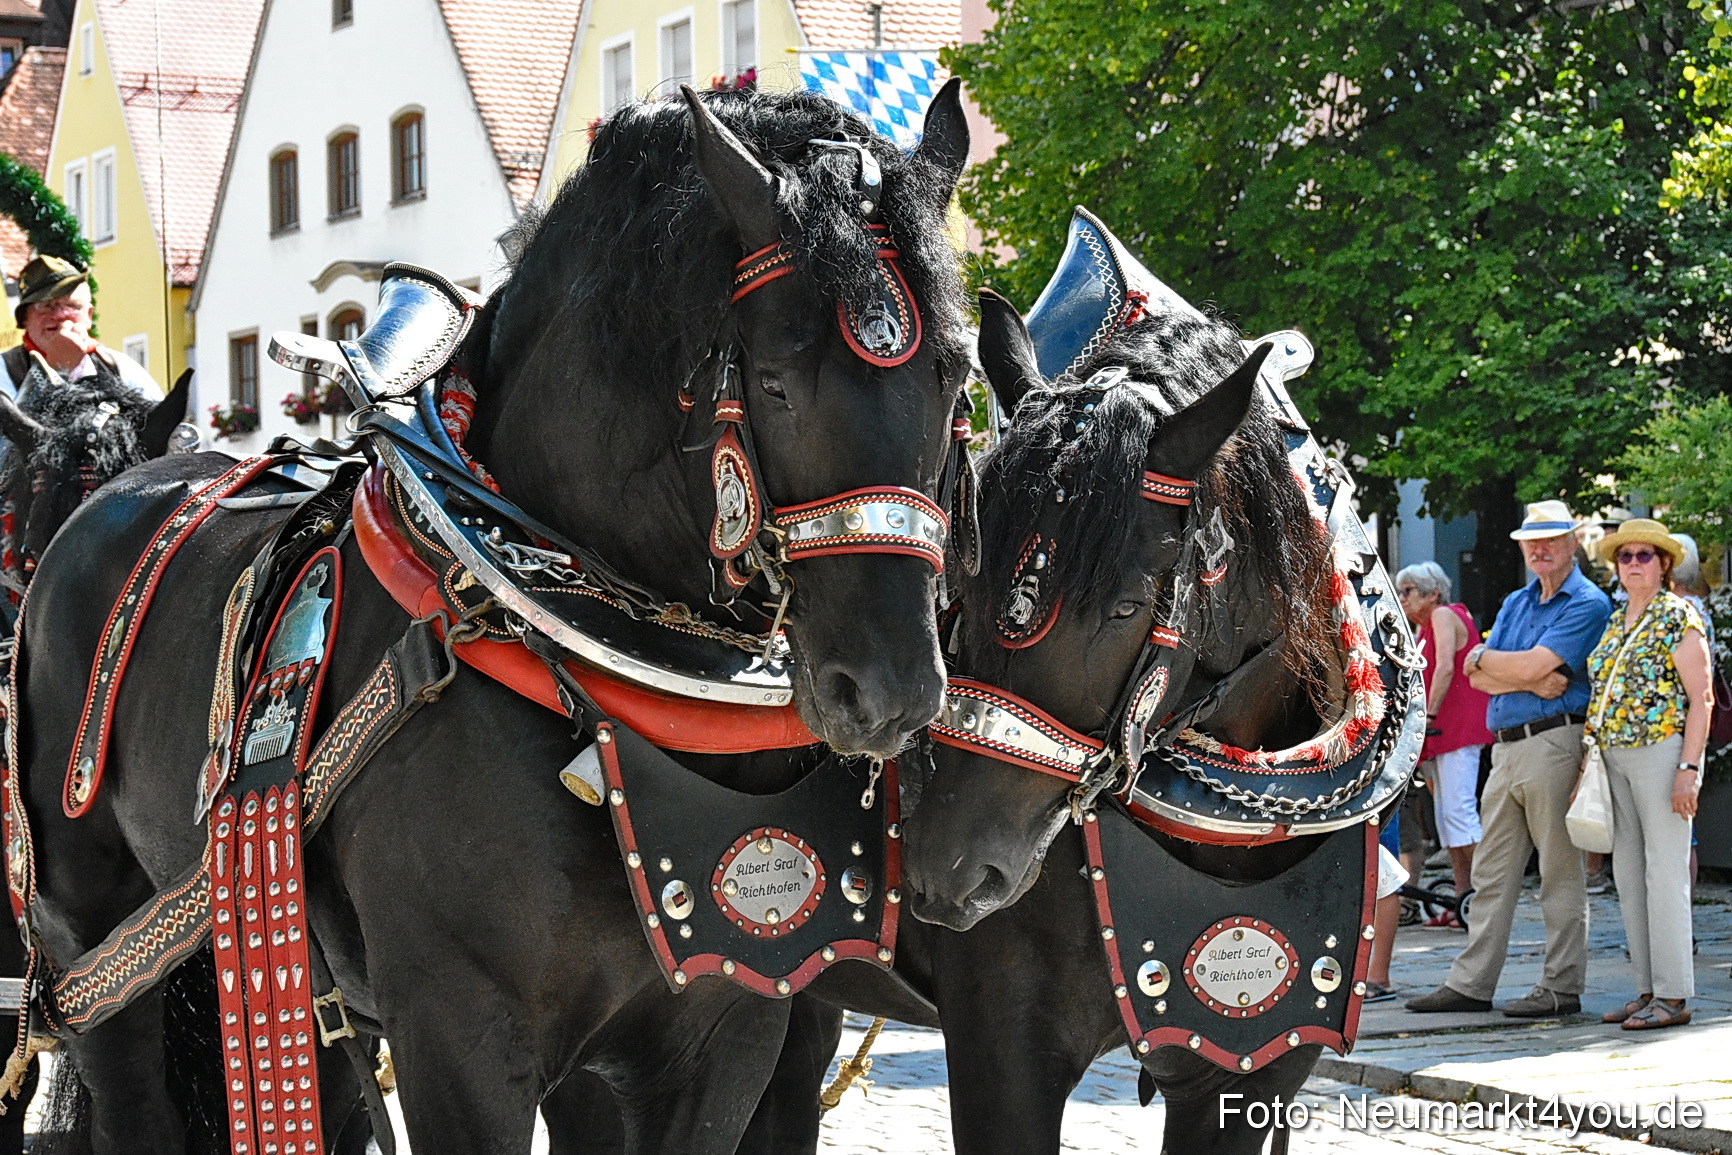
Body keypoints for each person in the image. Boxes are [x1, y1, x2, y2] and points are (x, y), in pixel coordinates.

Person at [1407, 501, 1612, 1018]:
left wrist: (1503, 666)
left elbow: (1539, 665)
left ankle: (1561, 988)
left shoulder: (1586, 602)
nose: (1540, 550)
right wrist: (1520, 673)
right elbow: (1476, 671)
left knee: (1559, 873)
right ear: (1522, 547)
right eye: (1532, 541)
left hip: (1554, 742)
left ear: (1572, 544)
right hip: (1507, 747)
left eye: (1552, 540)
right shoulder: (1520, 601)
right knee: (1492, 873)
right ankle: (1472, 983)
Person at [1587, 520, 1710, 1031]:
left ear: (1664, 564)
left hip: (1661, 755)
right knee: (1629, 877)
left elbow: (1701, 701)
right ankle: (1648, 987)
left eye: (1645, 555)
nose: (1633, 563)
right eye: (1625, 556)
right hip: (1612, 757)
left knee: (1665, 875)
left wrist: (1689, 769)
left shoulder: (1678, 616)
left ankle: (1674, 994)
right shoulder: (1618, 621)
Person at [1397, 561, 1495, 910]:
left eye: (1407, 591)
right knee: (1447, 819)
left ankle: (1487, 891)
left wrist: (1428, 715)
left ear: (1432, 593)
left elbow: (1445, 670)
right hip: (1443, 731)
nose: (1401, 598)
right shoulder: (1425, 630)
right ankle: (1462, 892)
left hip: (1455, 727)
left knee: (1458, 814)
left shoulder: (1442, 615)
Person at [2, 255, 162, 402]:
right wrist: (59, 369)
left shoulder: (118, 367)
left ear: (89, 316)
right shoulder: (5, 369)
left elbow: (161, 426)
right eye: (45, 306)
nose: (60, 315)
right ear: (24, 319)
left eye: (71, 305)